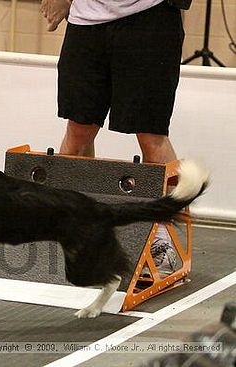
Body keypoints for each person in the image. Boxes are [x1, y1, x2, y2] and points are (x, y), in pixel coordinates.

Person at [40, 0, 185, 275]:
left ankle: (161, 238)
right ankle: (75, 232)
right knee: (78, 129)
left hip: (149, 19)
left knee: (150, 134)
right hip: (86, 22)